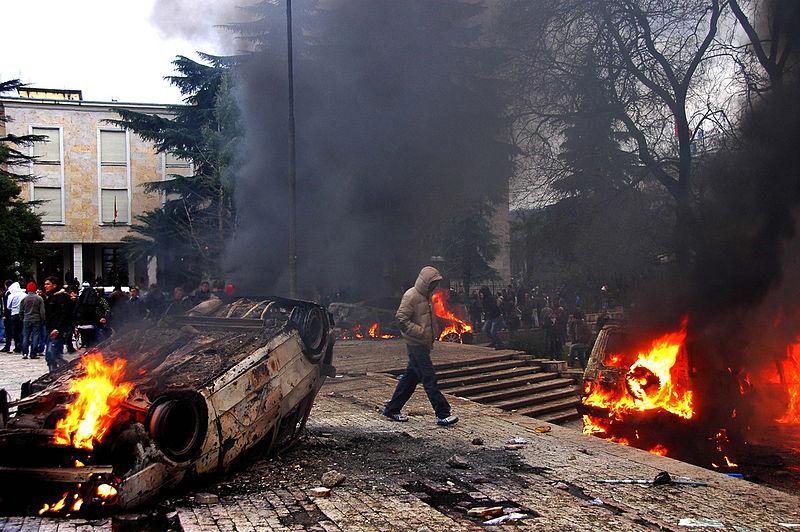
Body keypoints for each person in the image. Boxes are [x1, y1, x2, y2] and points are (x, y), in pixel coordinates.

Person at [383, 266, 458, 426]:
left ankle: (392, 409)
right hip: (415, 344)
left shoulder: (425, 296)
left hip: (422, 344)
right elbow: (401, 319)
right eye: (433, 283)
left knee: (410, 379)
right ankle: (443, 413)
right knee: (429, 378)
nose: (435, 287)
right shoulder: (411, 295)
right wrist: (420, 332)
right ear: (425, 282)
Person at [43, 277, 70, 372]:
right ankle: (53, 375)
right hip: (49, 329)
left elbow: (65, 314)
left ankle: (68, 370)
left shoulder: (61, 297)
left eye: (48, 284)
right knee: (50, 356)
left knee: (53, 354)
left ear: (54, 285)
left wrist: (58, 329)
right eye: (45, 284)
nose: (45, 286)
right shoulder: (49, 296)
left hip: (58, 330)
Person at [20, 282, 45, 359]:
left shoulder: (24, 299)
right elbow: (42, 311)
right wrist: (43, 319)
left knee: (25, 336)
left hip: (26, 319)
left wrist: (22, 318)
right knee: (35, 336)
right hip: (36, 319)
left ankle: (25, 353)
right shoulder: (39, 298)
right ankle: (33, 353)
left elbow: (21, 311)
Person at [4, 282, 26, 353]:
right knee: (22, 331)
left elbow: (8, 306)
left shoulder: (11, 295)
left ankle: (17, 346)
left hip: (14, 314)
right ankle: (23, 346)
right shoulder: (24, 294)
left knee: (16, 331)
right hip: (23, 314)